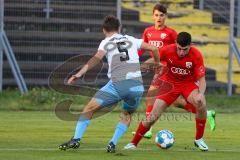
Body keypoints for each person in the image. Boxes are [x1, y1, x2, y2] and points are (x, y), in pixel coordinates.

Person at [58, 15, 160, 153]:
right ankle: (112, 143)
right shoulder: (131, 39)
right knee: (127, 115)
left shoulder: (106, 42)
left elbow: (96, 59)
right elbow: (154, 49)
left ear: (104, 30)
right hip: (137, 86)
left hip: (118, 84)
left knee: (88, 109)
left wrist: (79, 74)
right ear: (119, 28)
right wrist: (158, 64)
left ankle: (76, 139)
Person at [134, 4, 216, 139]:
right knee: (170, 101)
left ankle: (148, 129)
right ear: (152, 16)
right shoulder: (148, 31)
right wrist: (136, 59)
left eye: (161, 15)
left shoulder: (171, 33)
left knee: (152, 96)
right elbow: (143, 48)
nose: (159, 18)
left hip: (167, 68)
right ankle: (205, 113)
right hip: (156, 66)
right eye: (156, 15)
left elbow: (178, 50)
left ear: (165, 17)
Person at [125, 32, 209, 151]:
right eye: (179, 48)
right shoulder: (167, 50)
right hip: (169, 84)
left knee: (201, 103)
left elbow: (202, 79)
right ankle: (133, 144)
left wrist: (200, 94)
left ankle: (199, 139)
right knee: (152, 117)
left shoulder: (196, 55)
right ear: (176, 44)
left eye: (184, 50)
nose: (181, 52)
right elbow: (153, 60)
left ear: (191, 45)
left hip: (188, 84)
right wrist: (138, 69)